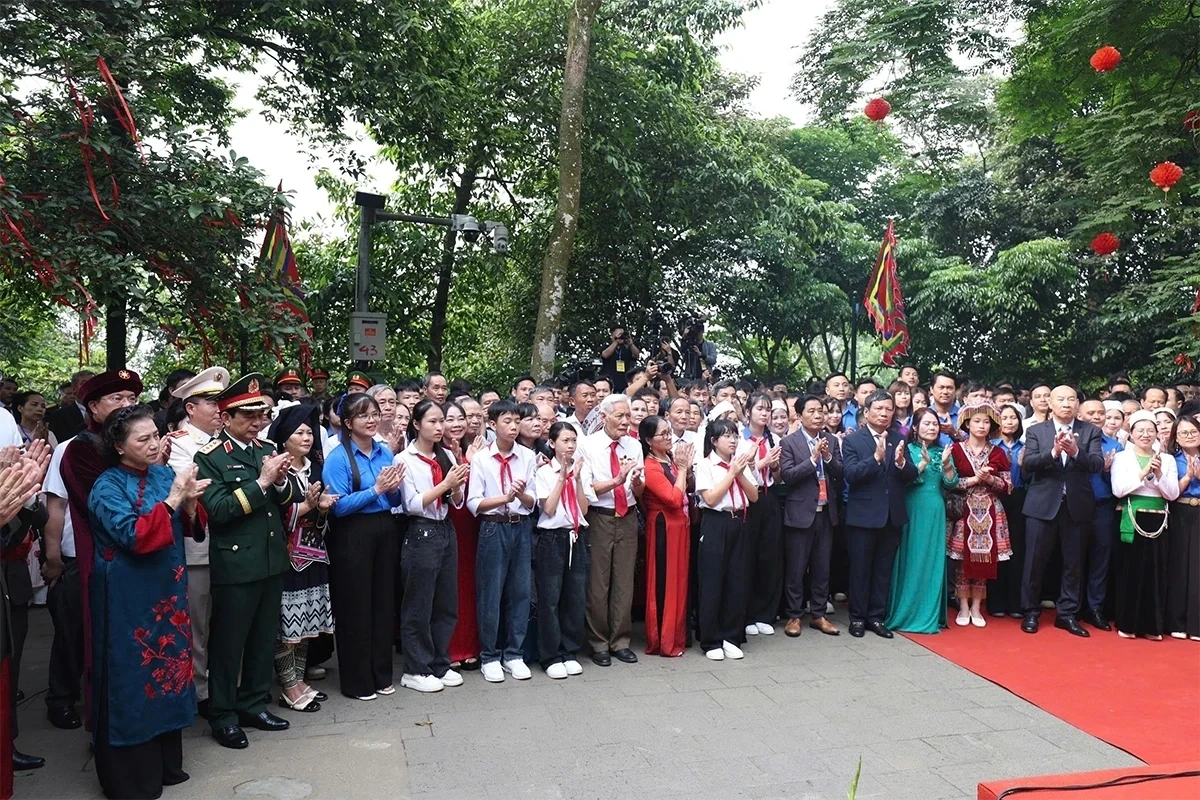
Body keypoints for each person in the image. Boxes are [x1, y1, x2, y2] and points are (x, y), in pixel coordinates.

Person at [87, 405, 208, 799]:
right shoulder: (107, 486)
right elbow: (134, 536)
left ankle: (167, 764)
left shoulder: (161, 474)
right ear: (119, 447)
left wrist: (190, 505)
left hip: (167, 592)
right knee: (132, 675)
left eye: (156, 435)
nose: (155, 444)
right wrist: (175, 499)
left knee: (170, 672)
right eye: (143, 439)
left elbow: (189, 525)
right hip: (127, 598)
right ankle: (130, 777)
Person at [193, 374, 297, 748]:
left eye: (262, 415)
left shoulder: (264, 448)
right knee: (228, 644)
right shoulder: (210, 457)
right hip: (235, 565)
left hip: (270, 560)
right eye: (248, 416)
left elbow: (287, 501)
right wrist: (263, 482)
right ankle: (223, 714)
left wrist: (282, 481)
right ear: (226, 417)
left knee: (262, 639)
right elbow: (218, 510)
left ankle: (253, 703)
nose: (257, 422)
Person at [52, 370, 142, 732]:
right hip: (92, 557)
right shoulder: (78, 448)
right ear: (93, 406)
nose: (127, 405)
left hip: (137, 556)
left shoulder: (140, 444)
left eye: (132, 399)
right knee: (76, 634)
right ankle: (63, 700)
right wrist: (52, 555)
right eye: (117, 399)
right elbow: (102, 509)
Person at [321, 392, 404, 701]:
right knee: (355, 606)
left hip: (384, 528)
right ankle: (357, 681)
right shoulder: (339, 457)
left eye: (374, 414)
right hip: (352, 533)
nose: (371, 420)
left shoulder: (384, 452)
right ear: (347, 422)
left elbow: (394, 500)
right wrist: (376, 489)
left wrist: (392, 490)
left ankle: (382, 674)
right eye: (363, 415)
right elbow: (339, 507)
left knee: (383, 602)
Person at [163, 366, 229, 719]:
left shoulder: (224, 441)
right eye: (211, 402)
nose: (219, 409)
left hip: (230, 545)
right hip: (198, 549)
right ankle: (200, 692)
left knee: (224, 620)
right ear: (190, 408)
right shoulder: (179, 445)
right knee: (198, 625)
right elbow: (191, 491)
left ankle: (223, 685)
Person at [395, 400, 470, 692]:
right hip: (421, 532)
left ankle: (440, 662)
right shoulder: (405, 459)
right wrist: (445, 485)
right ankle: (415, 668)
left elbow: (457, 501)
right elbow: (412, 504)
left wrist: (456, 486)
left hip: (445, 529)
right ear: (416, 424)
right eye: (433, 422)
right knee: (418, 605)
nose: (440, 428)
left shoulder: (447, 454)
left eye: (442, 421)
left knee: (445, 603)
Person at [1020, 385, 1105, 637]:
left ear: (1078, 404)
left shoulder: (1090, 431)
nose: (1067, 403)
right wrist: (1055, 452)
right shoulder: (1036, 431)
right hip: (1042, 505)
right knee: (1034, 561)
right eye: (1061, 399)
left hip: (1077, 506)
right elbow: (1029, 464)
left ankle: (1066, 613)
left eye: (1071, 399)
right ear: (1050, 403)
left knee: (1074, 563)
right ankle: (1030, 611)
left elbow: (1097, 464)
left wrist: (1076, 452)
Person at [268, 402, 336, 712]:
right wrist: (308, 506)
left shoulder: (315, 468)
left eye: (310, 432)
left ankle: (298, 679)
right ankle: (287, 684)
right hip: (287, 556)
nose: (306, 437)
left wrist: (321, 509)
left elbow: (321, 516)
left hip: (315, 552)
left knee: (306, 622)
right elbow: (276, 513)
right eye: (299, 433)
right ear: (284, 438)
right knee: (288, 627)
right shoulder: (276, 469)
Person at [466, 399, 536, 682]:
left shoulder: (527, 457)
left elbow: (532, 503)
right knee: (491, 593)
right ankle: (490, 655)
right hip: (493, 527)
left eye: (517, 421)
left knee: (520, 592)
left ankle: (514, 654)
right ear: (492, 425)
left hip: (520, 526)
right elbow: (474, 503)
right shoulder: (482, 458)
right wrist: (504, 498)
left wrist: (518, 496)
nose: (514, 427)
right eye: (507, 421)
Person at [841, 390, 918, 639]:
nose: (884, 413)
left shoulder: (899, 438)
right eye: (879, 409)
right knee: (860, 569)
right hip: (863, 516)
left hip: (891, 515)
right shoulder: (854, 440)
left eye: (888, 409)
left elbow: (911, 475)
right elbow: (850, 475)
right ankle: (857, 618)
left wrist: (899, 463)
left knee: (883, 570)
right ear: (866, 411)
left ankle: (876, 617)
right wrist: (876, 458)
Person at [578, 393, 644, 666]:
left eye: (628, 416)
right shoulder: (588, 445)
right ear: (603, 416)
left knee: (624, 581)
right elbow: (588, 487)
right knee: (598, 582)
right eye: (620, 416)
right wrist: (618, 479)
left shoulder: (634, 445)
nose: (625, 421)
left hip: (627, 515)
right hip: (600, 517)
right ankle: (598, 643)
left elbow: (639, 490)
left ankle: (621, 640)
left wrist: (637, 481)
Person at [2, 440, 49, 773]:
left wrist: (28, 493)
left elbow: (41, 517)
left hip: (11, 587)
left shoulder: (13, 475)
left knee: (10, 669)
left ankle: (8, 744)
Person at [884, 408, 954, 634]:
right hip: (911, 508)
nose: (932, 428)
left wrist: (946, 465)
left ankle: (929, 613)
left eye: (935, 424)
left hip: (935, 510)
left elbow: (951, 484)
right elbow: (900, 481)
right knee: (911, 557)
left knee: (932, 560)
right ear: (915, 427)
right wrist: (921, 465)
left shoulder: (944, 451)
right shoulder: (907, 449)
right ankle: (905, 612)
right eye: (926, 424)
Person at [1111, 411, 1179, 639]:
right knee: (1130, 570)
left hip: (1158, 517)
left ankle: (1152, 626)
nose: (1145, 435)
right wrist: (1143, 472)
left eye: (1150, 430)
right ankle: (1127, 623)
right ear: (1130, 434)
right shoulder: (1122, 458)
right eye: (1140, 430)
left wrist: (1158, 473)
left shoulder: (1167, 459)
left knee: (1155, 572)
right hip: (1131, 515)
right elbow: (1119, 490)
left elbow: (1171, 494)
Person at [694, 419, 759, 660]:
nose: (732, 440)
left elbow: (754, 496)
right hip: (715, 522)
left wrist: (739, 473)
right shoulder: (705, 465)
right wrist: (731, 473)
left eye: (734, 436)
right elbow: (710, 498)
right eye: (726, 436)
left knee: (737, 580)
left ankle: (731, 636)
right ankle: (710, 640)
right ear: (713, 441)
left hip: (739, 522)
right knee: (712, 582)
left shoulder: (740, 463)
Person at [779, 395, 843, 637]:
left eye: (821, 411)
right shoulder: (789, 442)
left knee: (822, 565)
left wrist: (826, 457)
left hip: (826, 512)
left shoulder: (831, 440)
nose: (818, 416)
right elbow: (788, 475)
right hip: (800, 513)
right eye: (812, 411)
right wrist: (813, 459)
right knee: (796, 567)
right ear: (799, 415)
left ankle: (818, 614)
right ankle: (794, 615)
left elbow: (840, 472)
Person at [946, 403, 1013, 628]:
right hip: (964, 509)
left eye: (986, 422)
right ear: (967, 423)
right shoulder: (955, 450)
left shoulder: (998, 452)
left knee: (985, 558)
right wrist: (975, 479)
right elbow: (950, 482)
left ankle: (976, 607)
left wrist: (990, 479)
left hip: (990, 509)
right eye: (977, 421)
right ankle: (963, 605)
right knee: (963, 561)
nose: (982, 426)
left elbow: (1008, 486)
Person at [534, 422, 591, 675]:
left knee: (575, 597)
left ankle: (569, 650)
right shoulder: (544, 472)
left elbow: (584, 509)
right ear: (552, 443)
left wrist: (577, 480)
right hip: (551, 539)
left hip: (575, 535)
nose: (570, 446)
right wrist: (562, 477)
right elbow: (548, 508)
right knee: (550, 598)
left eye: (573, 441)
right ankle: (550, 655)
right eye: (565, 440)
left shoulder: (581, 468)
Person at [638, 416, 692, 656]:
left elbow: (685, 488)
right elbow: (673, 499)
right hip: (664, 527)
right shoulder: (650, 466)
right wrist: (682, 470)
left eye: (670, 433)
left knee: (679, 581)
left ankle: (677, 635)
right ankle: (664, 640)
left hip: (679, 525)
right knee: (665, 582)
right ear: (649, 440)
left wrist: (685, 470)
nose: (669, 438)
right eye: (663, 434)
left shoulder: (668, 458)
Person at [441, 402, 483, 671]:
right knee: (450, 585)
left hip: (472, 522)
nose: (456, 424)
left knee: (470, 582)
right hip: (447, 521)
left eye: (461, 418)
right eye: (450, 419)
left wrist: (472, 459)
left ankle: (471, 645)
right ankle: (450, 648)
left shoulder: (476, 449)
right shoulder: (435, 451)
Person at [740, 393, 783, 637]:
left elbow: (778, 476)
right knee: (748, 556)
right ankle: (746, 613)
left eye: (768, 409)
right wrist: (762, 462)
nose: (765, 413)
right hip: (748, 498)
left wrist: (774, 465)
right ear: (749, 411)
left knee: (770, 556)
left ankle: (765, 613)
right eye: (760, 409)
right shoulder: (739, 437)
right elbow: (739, 470)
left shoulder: (774, 438)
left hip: (770, 496)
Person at [1079, 399, 1122, 631]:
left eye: (1101, 413)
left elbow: (1119, 482)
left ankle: (1095, 607)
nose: (1097, 417)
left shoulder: (1115, 446)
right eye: (1091, 412)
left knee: (1100, 559)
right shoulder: (1070, 439)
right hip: (1073, 506)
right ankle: (1072, 605)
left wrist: (1105, 472)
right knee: (1073, 558)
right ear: (1079, 414)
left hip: (1103, 506)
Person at [988, 402, 1027, 618]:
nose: (1009, 422)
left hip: (1019, 498)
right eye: (1004, 418)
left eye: (1013, 418)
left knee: (1017, 548)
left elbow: (1031, 479)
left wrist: (1024, 466)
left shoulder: (1025, 447)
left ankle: (1015, 602)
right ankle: (995, 602)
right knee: (997, 549)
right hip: (995, 497)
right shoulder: (991, 447)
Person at [1168, 414, 1200, 640]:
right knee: (1179, 565)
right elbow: (1169, 492)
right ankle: (1176, 621)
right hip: (1180, 511)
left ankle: (1196, 624)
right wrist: (1189, 477)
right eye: (1183, 433)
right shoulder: (1171, 459)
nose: (1189, 437)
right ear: (1176, 438)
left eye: (1193, 432)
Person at [46, 370, 95, 443]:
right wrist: (85, 423)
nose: (89, 386)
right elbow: (61, 440)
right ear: (74, 388)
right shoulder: (59, 415)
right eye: (84, 383)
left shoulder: (106, 409)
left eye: (92, 382)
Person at [600, 325, 640, 393]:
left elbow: (636, 355)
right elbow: (605, 355)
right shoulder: (606, 347)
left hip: (624, 380)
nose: (621, 336)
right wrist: (616, 342)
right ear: (612, 335)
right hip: (610, 379)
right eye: (619, 334)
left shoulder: (626, 349)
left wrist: (631, 344)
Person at [929, 370, 960, 446]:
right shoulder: (923, 415)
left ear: (955, 391)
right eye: (941, 387)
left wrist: (955, 434)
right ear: (931, 389)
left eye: (949, 388)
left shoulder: (963, 415)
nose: (945, 392)